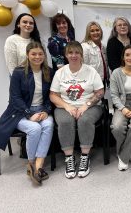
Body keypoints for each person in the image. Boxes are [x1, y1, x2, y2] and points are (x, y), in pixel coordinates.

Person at [0, 42, 54, 185]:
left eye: (40, 54)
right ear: (27, 55)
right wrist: (29, 114)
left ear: (44, 55)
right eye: (33, 54)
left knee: (48, 125)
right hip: (19, 112)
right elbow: (15, 98)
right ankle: (31, 163)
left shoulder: (49, 71)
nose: (37, 57)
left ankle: (39, 166)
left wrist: (46, 111)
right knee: (35, 129)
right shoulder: (18, 72)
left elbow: (50, 96)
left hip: (41, 109)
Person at [50, 41, 104, 179]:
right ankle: (70, 158)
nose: (74, 55)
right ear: (66, 55)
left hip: (90, 106)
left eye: (77, 53)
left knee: (84, 120)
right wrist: (67, 106)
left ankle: (85, 157)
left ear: (81, 55)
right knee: (65, 122)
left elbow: (100, 92)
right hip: (65, 106)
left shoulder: (91, 71)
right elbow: (53, 95)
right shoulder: (60, 72)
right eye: (70, 52)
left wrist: (86, 104)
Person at [81, 21, 109, 86]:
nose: (95, 32)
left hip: (103, 80)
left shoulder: (103, 47)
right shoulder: (84, 47)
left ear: (101, 32)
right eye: (92, 31)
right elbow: (83, 66)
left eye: (97, 30)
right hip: (91, 82)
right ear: (88, 33)